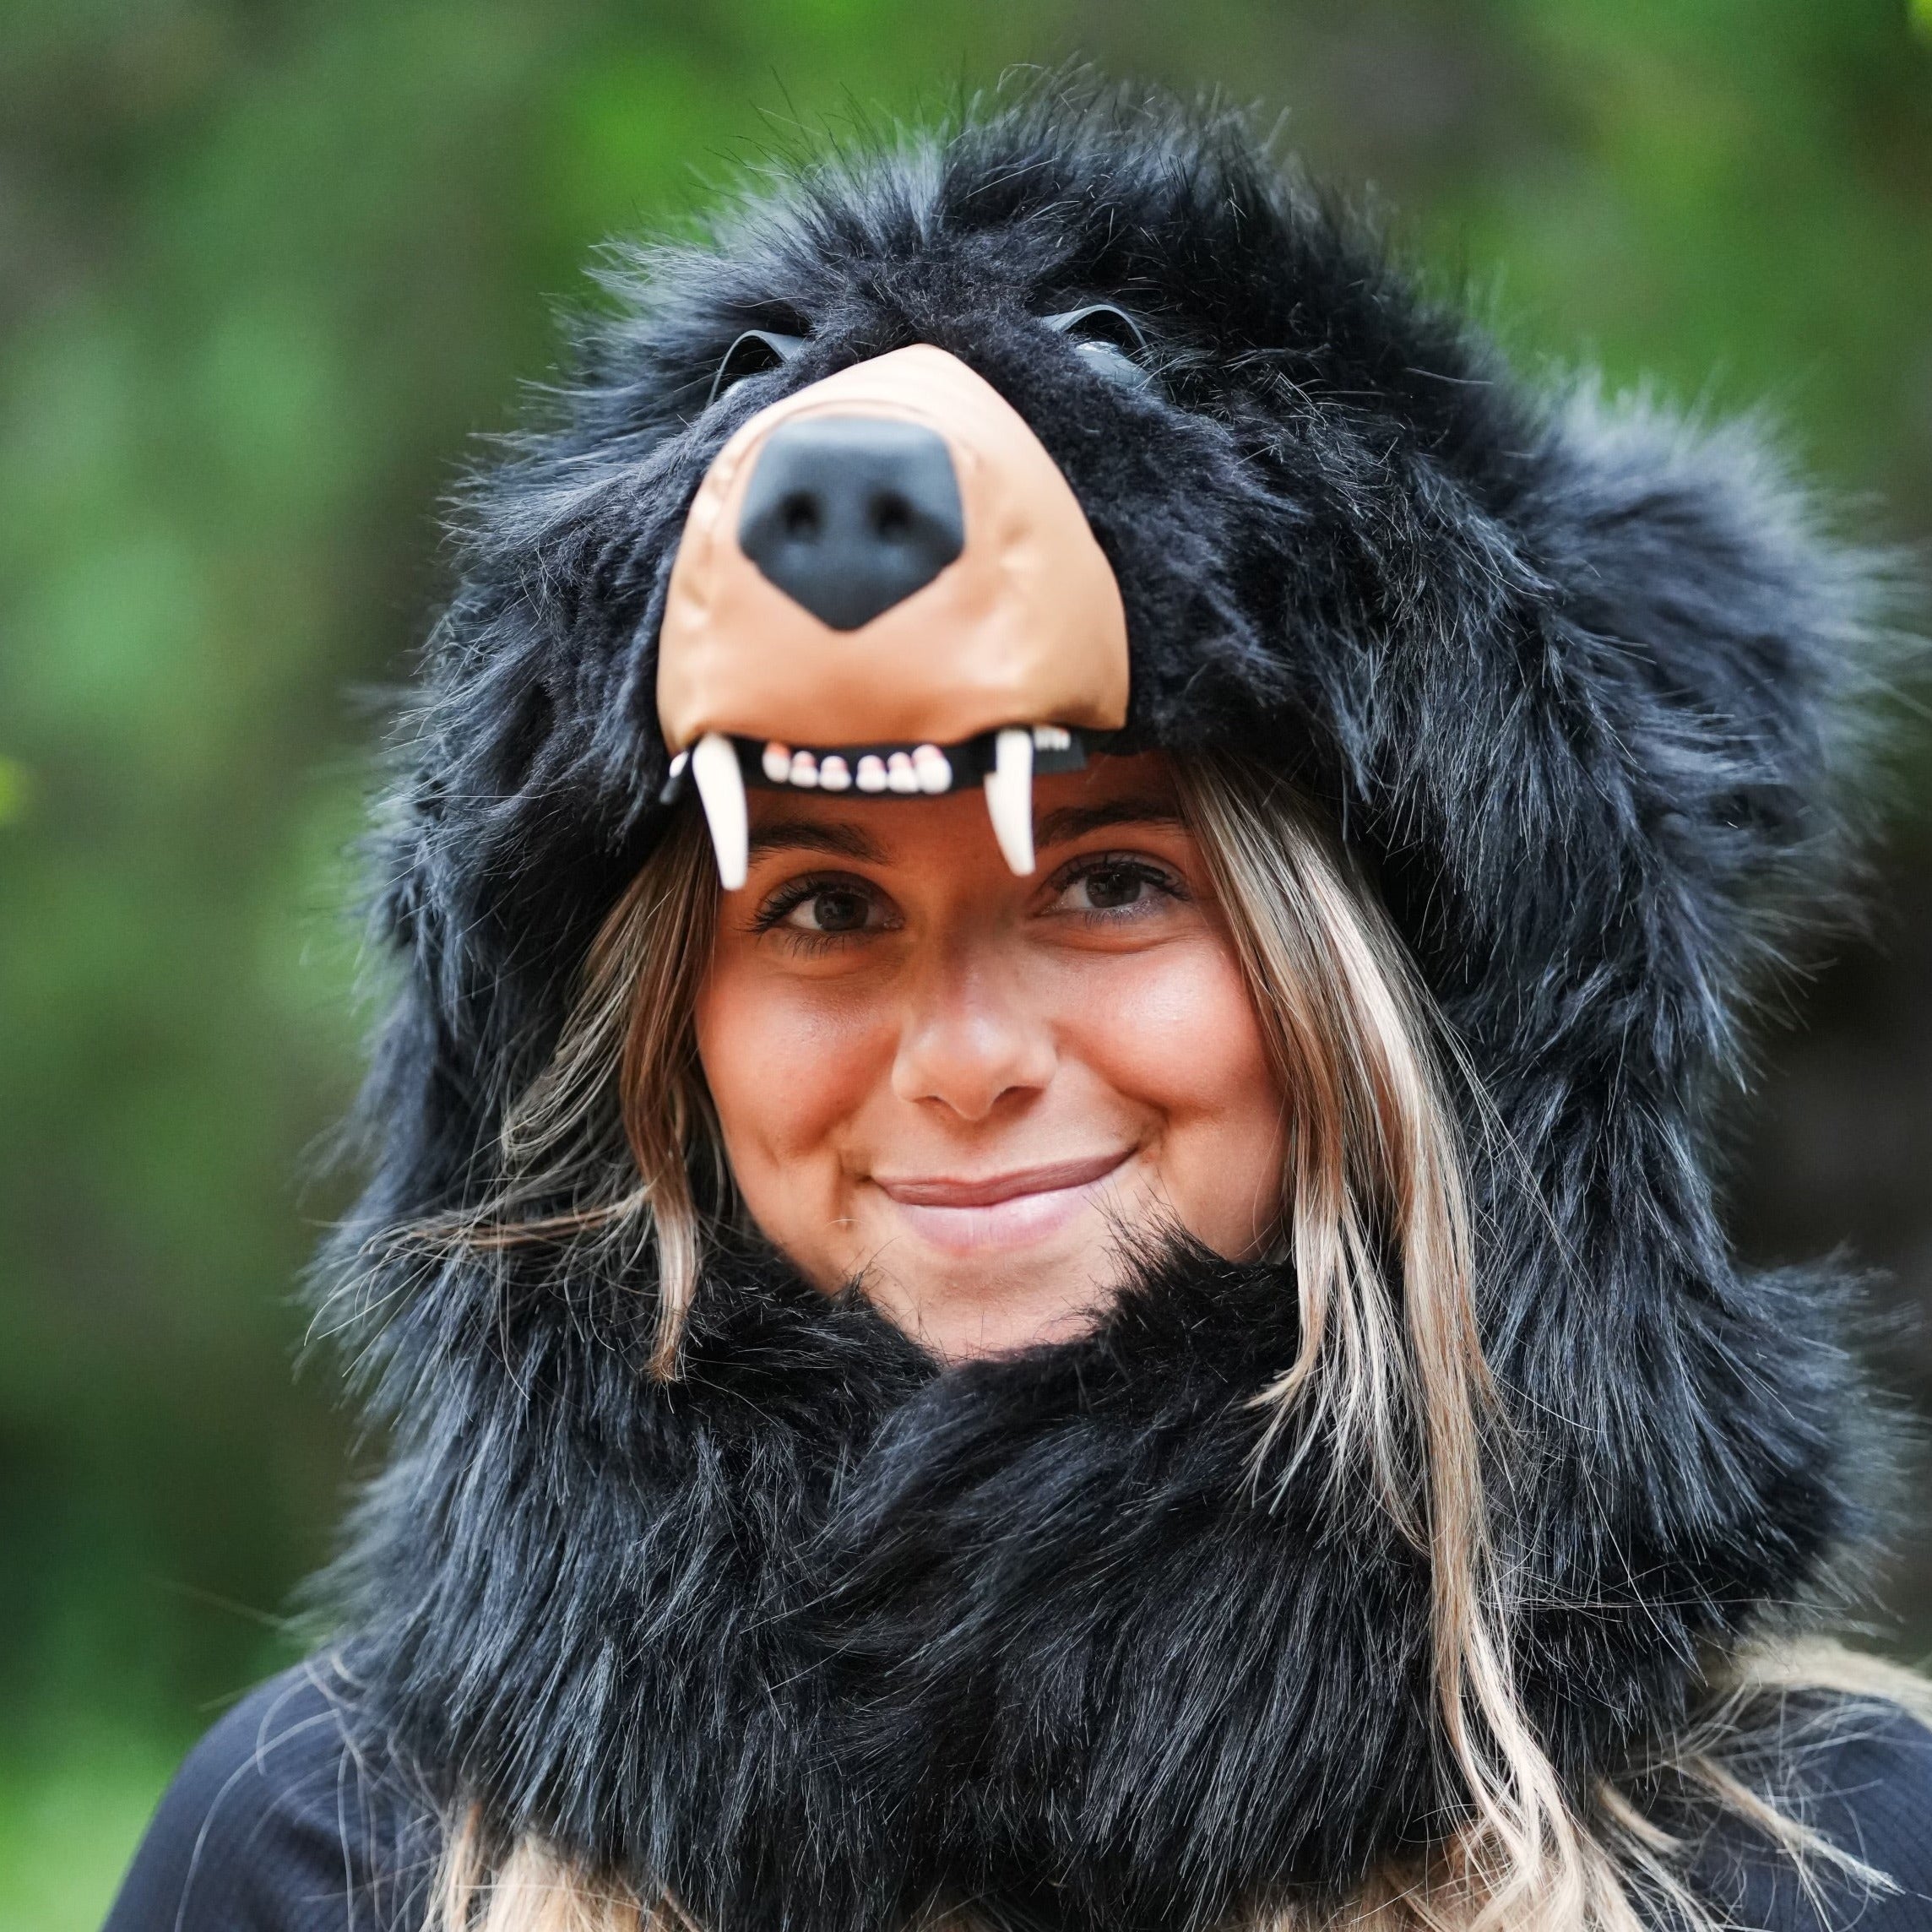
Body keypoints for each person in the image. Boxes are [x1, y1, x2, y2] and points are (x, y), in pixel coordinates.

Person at [106, 90, 1932, 1932]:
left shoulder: (1820, 1864)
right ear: (653, 1040)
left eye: (1113, 883)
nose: (969, 1061)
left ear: (1414, 991)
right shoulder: (328, 1864)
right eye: (823, 907)